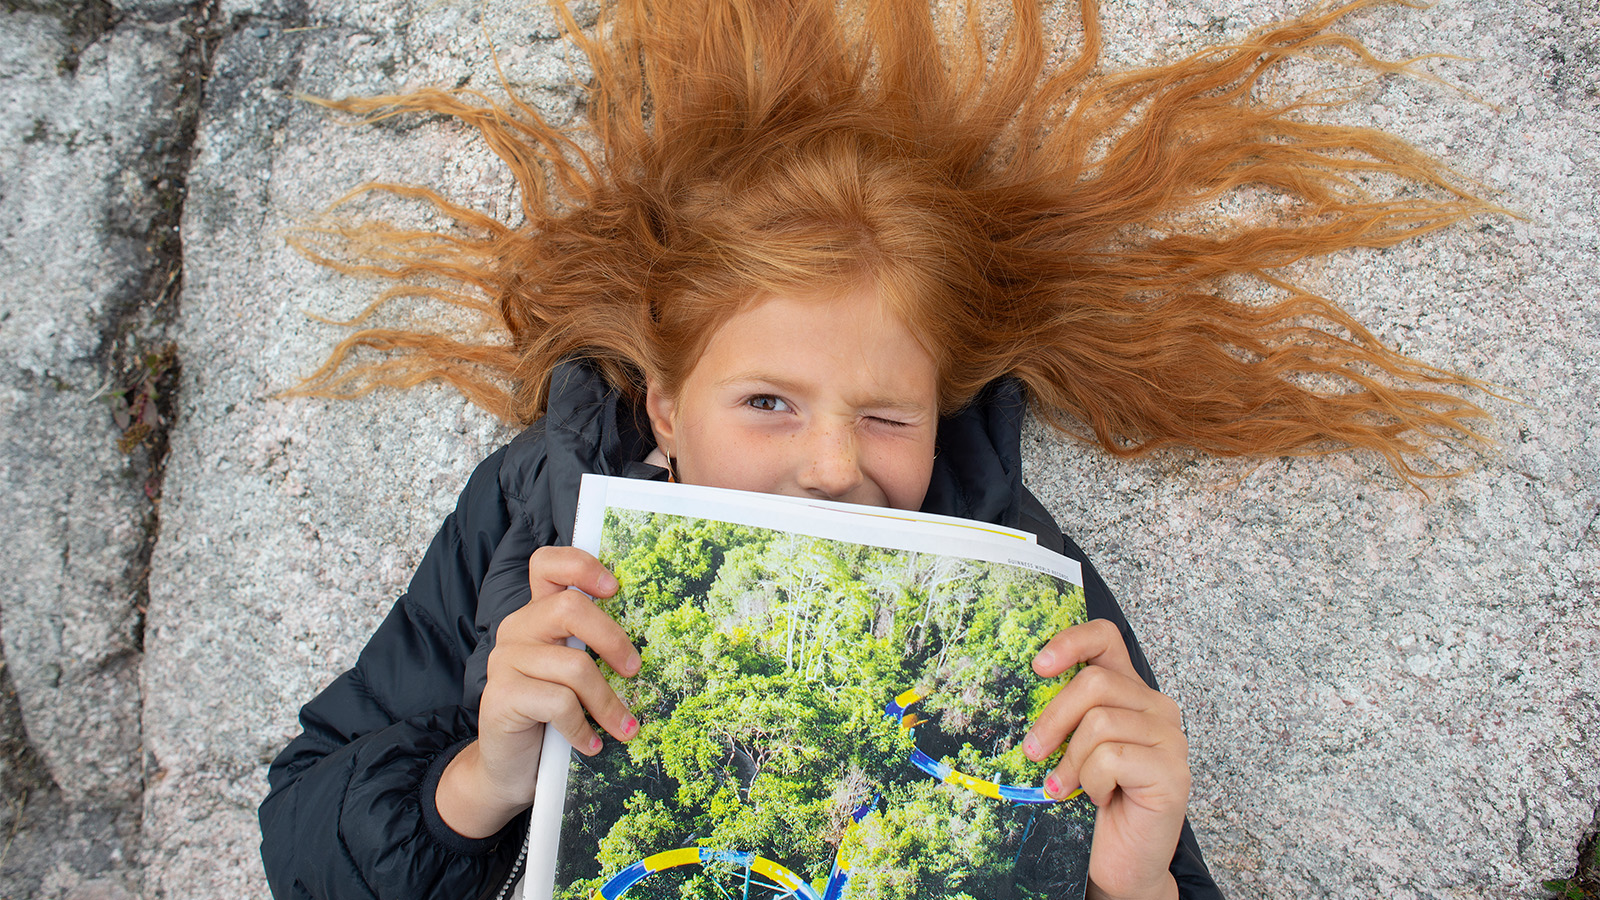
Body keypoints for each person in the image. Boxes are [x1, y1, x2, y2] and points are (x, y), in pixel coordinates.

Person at [259, 1, 1494, 898]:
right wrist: (484, 778)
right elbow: (297, 834)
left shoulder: (1012, 572)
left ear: (941, 411)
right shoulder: (538, 500)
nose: (833, 465)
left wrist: (1137, 884)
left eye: (888, 417)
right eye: (767, 405)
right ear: (664, 408)